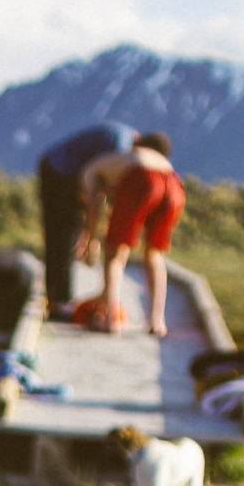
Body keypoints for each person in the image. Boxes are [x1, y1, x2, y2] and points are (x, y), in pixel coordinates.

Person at [78, 133, 185, 337]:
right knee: (154, 253)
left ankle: (111, 321)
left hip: (141, 179)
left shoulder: (92, 168)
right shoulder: (143, 158)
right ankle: (157, 321)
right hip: (173, 183)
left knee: (114, 255)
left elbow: (94, 207)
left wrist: (90, 240)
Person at [36, 121, 137, 318]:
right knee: (63, 234)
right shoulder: (120, 150)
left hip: (61, 168)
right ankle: (60, 303)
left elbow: (99, 194)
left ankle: (57, 299)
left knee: (66, 233)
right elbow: (96, 197)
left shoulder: (123, 138)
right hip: (59, 172)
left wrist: (89, 235)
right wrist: (90, 239)